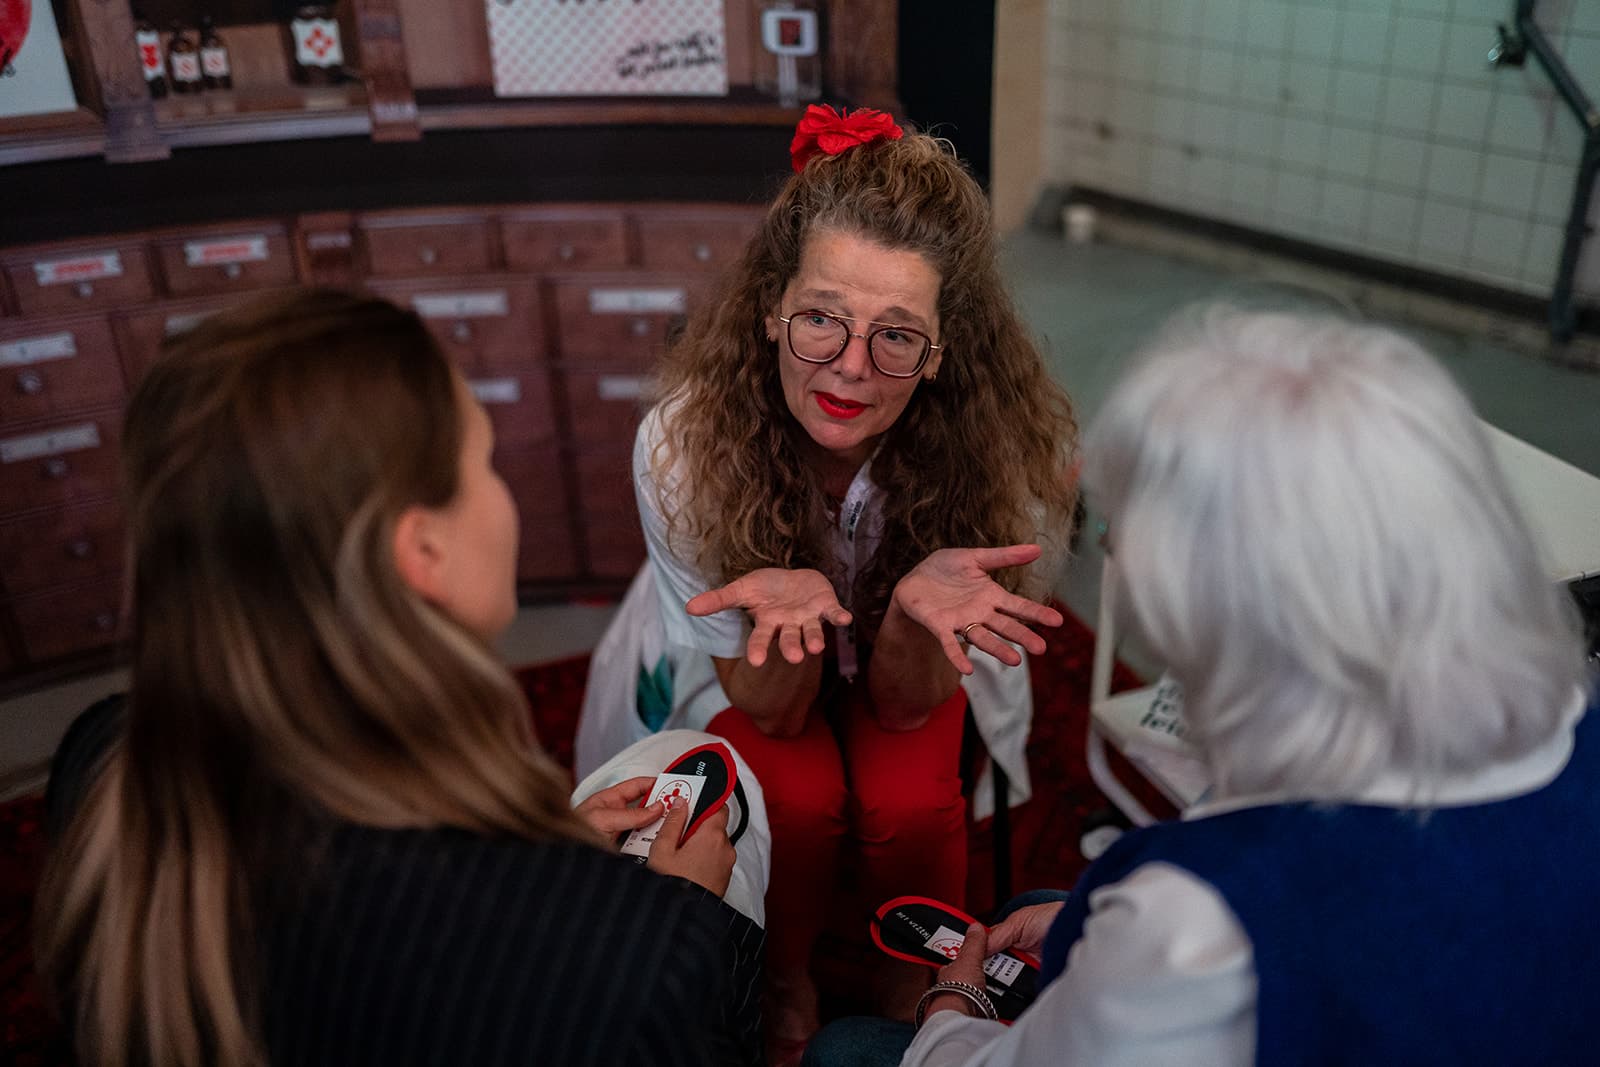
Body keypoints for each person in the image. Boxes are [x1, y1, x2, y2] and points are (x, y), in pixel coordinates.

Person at [803, 307, 1598, 1066]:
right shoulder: (1570, 717)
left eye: (1118, 541)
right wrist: (1101, 924)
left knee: (844, 1050)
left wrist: (952, 1009)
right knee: (1038, 909)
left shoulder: (1196, 920)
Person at [34, 289, 768, 1067]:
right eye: (482, 462)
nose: (502, 493)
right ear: (422, 552)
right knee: (714, 775)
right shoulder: (642, 959)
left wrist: (541, 852)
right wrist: (687, 915)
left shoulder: (102, 760)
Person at [575, 103, 1080, 1057]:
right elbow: (768, 714)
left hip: (904, 672)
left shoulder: (1002, 459)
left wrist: (912, 622)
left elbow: (903, 708)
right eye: (820, 319)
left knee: (910, 788)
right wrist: (790, 609)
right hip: (761, 685)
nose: (850, 368)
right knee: (791, 787)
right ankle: (784, 976)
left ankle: (911, 977)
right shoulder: (682, 446)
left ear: (941, 351)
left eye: (897, 336)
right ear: (772, 309)